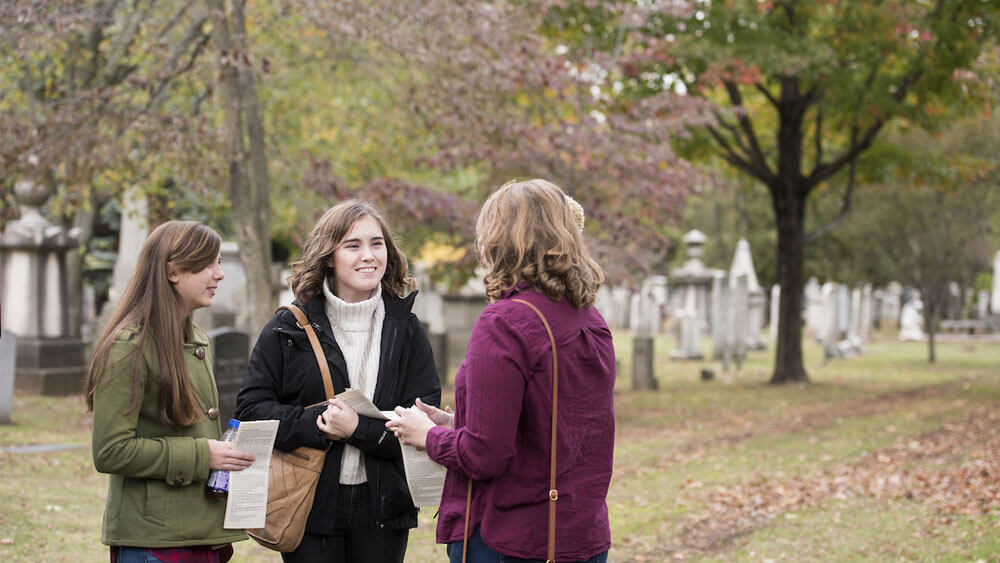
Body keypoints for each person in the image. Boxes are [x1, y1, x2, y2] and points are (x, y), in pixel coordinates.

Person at [388, 179, 616, 563]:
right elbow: (552, 424)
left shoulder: (506, 322)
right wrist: (453, 421)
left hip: (514, 539)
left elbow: (484, 456)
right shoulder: (589, 319)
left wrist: (426, 436)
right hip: (582, 536)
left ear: (498, 241)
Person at [236, 199, 441, 563]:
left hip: (384, 510)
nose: (369, 255)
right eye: (353, 245)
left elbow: (423, 422)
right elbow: (251, 412)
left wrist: (356, 429)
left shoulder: (407, 328)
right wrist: (320, 424)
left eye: (377, 243)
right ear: (329, 256)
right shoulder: (288, 327)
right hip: (310, 503)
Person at [87, 220, 255, 563]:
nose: (219, 274)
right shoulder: (128, 347)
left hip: (200, 532)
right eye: (208, 263)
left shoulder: (194, 340)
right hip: (154, 542)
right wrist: (202, 456)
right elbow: (110, 451)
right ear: (173, 271)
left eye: (220, 262)